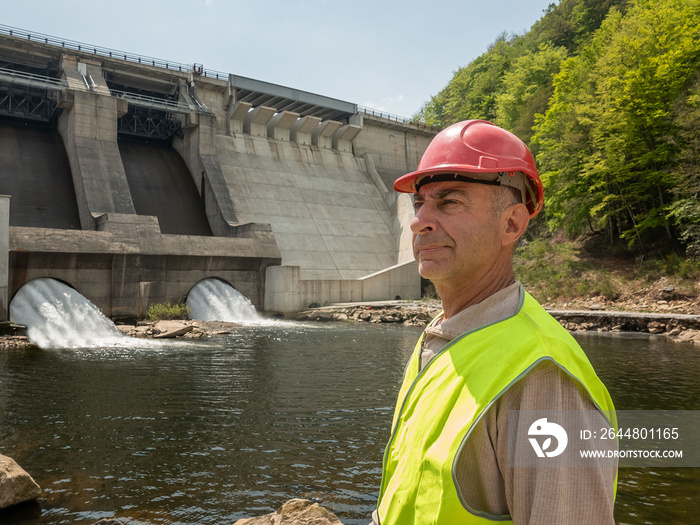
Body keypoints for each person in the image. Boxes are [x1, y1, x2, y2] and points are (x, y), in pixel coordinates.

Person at [371, 120, 617, 524]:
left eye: (449, 202)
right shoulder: (440, 336)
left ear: (512, 225)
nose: (419, 221)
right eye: (420, 203)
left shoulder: (542, 377)